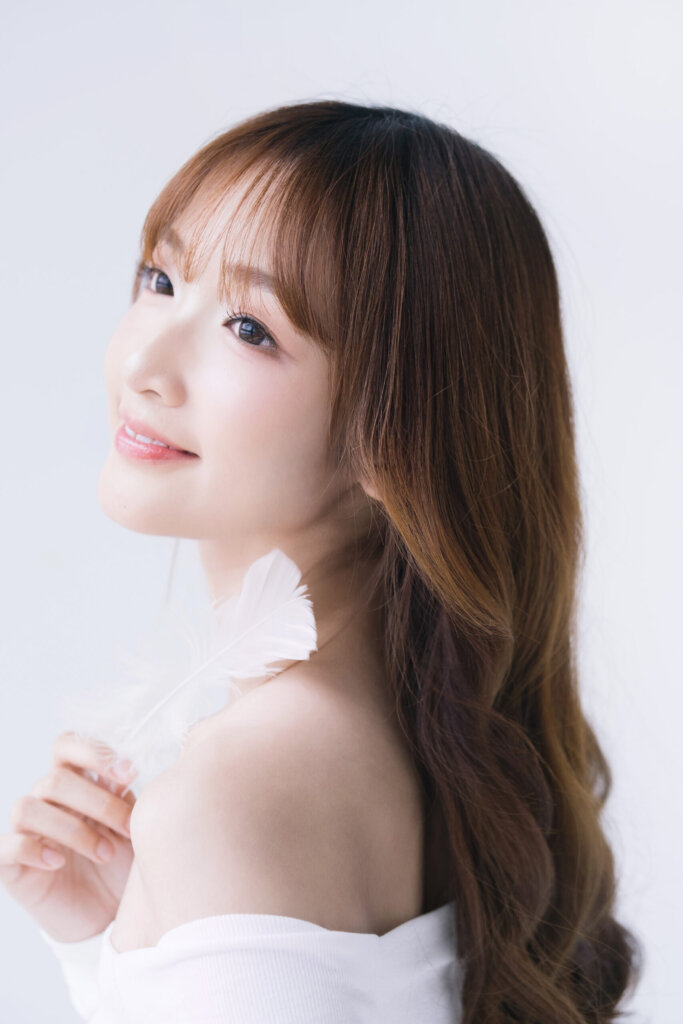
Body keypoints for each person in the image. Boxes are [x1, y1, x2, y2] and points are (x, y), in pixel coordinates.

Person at [0, 100, 641, 1023]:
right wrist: (107, 948)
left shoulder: (243, 785)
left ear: (394, 437)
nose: (144, 361)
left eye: (250, 329)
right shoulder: (408, 755)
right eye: (162, 279)